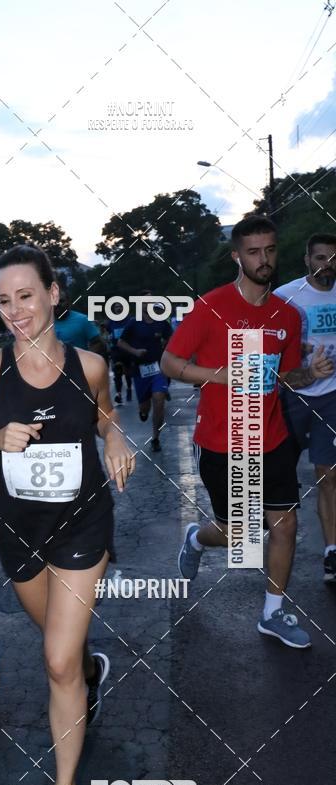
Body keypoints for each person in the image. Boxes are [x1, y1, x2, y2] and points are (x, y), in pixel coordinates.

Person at [0, 245, 134, 785]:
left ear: (54, 294)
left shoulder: (90, 364)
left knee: (55, 661)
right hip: (18, 532)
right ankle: (89, 671)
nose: (15, 311)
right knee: (66, 651)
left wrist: (114, 438)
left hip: (83, 526)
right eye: (4, 301)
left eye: (26, 296)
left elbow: (106, 417)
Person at [161, 215, 333, 648]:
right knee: (236, 534)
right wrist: (222, 376)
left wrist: (308, 373)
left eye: (270, 250)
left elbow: (285, 377)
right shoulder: (212, 307)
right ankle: (197, 537)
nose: (263, 259)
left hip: (272, 436)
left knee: (285, 525)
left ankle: (272, 613)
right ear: (237, 256)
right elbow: (170, 362)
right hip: (223, 440)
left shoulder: (287, 316)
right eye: (253, 252)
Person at [275, 233, 336, 580]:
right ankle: (270, 541)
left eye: (333, 258)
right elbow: (270, 350)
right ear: (307, 260)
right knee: (279, 473)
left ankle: (332, 551)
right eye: (320, 258)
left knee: (330, 476)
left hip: (332, 396)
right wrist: (302, 355)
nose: (327, 266)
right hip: (294, 395)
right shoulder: (286, 296)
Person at [118, 304, 172, 451]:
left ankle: (155, 438)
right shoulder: (134, 323)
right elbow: (120, 342)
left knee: (159, 399)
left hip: (158, 368)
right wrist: (135, 352)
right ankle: (143, 411)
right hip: (139, 369)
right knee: (145, 407)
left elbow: (172, 338)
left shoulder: (162, 323)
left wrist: (166, 347)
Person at [105, 301, 133, 405]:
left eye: (120, 306)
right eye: (116, 307)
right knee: (117, 373)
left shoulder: (129, 320)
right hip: (116, 351)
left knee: (128, 373)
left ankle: (129, 388)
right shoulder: (110, 322)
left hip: (127, 350)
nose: (118, 308)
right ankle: (119, 394)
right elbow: (108, 333)